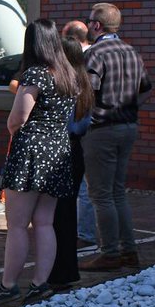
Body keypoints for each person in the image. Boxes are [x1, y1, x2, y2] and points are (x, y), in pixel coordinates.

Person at [0, 19, 79, 305]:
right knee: (44, 223)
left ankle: (8, 284)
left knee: (17, 224)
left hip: (31, 152)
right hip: (59, 151)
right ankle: (40, 283)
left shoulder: (36, 75)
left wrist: (13, 128)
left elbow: (18, 118)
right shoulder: (68, 74)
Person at [78, 3, 152, 273]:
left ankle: (110, 253)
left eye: (89, 21)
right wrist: (128, 106)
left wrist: (87, 116)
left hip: (103, 129)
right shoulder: (132, 52)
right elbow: (146, 89)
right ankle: (128, 250)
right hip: (128, 126)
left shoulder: (96, 53)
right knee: (117, 191)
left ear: (97, 25)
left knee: (101, 195)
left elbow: (88, 92)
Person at [46, 37, 94, 291]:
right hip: (77, 149)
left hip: (60, 148)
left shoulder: (63, 85)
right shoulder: (85, 83)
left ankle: (57, 270)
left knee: (55, 215)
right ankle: (67, 268)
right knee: (66, 214)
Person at [62, 20, 97, 247]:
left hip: (79, 135)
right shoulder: (88, 66)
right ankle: (84, 232)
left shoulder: (84, 63)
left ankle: (83, 233)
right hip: (92, 130)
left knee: (81, 187)